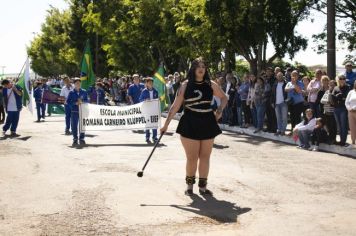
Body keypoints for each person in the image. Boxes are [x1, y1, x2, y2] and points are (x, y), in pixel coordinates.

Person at [160, 57, 228, 196]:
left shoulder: (211, 84)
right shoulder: (185, 85)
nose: (201, 68)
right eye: (198, 66)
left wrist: (219, 110)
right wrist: (165, 125)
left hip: (208, 121)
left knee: (205, 156)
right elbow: (175, 106)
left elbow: (224, 97)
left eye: (203, 66)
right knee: (192, 157)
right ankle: (189, 185)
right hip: (190, 122)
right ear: (193, 68)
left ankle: (203, 187)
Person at [66, 79, 88, 146]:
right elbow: (68, 102)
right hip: (74, 111)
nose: (78, 84)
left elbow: (87, 100)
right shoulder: (71, 92)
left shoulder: (84, 91)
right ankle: (75, 139)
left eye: (79, 83)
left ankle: (82, 139)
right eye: (77, 83)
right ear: (74, 84)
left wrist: (83, 102)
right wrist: (75, 103)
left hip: (82, 111)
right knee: (74, 126)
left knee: (82, 126)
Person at [332, 74, 350, 147]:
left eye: (343, 78)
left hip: (343, 108)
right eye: (340, 78)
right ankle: (341, 140)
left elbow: (346, 98)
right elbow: (332, 98)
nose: (342, 80)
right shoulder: (336, 88)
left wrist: (340, 97)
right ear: (338, 80)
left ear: (345, 80)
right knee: (339, 126)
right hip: (336, 109)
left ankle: (343, 141)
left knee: (343, 125)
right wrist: (338, 97)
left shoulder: (348, 87)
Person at [139, 77, 159, 143]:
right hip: (147, 110)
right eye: (149, 82)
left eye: (152, 82)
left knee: (154, 123)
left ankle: (155, 137)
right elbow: (140, 99)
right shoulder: (144, 91)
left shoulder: (155, 91)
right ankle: (147, 137)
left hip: (153, 110)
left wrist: (158, 100)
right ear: (146, 83)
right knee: (147, 124)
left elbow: (157, 99)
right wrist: (145, 100)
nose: (151, 84)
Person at [320, 80, 337, 144]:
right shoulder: (327, 91)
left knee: (333, 127)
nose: (331, 86)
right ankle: (330, 139)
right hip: (326, 112)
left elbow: (334, 102)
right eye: (330, 85)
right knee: (329, 127)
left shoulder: (335, 92)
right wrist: (327, 101)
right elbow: (322, 100)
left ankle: (333, 140)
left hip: (333, 112)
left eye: (333, 85)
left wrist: (330, 101)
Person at [345, 80, 356, 145]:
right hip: (350, 112)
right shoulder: (351, 92)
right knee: (352, 128)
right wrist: (349, 108)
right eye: (355, 83)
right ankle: (353, 142)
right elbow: (347, 102)